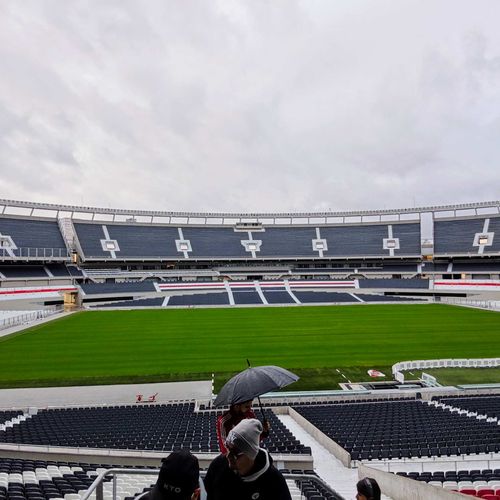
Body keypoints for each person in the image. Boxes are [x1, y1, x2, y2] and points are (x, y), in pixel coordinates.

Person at [205, 418, 291, 500]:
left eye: (236, 453)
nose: (228, 456)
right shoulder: (218, 466)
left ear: (252, 455)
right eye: (228, 448)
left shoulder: (274, 481)